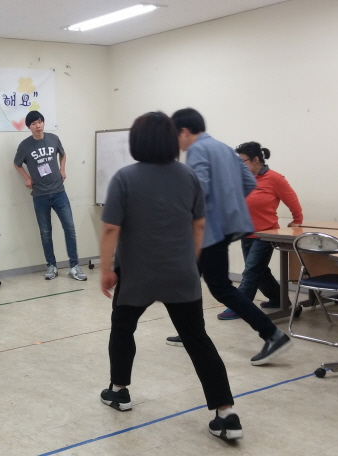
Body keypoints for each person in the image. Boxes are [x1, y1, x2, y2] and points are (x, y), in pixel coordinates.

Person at [99, 112, 242, 441]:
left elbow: (110, 229)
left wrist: (106, 269)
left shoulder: (124, 178)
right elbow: (199, 225)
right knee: (197, 339)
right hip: (181, 274)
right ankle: (226, 414)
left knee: (123, 329)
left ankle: (119, 391)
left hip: (136, 275)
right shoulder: (188, 176)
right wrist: (189, 262)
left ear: (137, 141)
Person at [165, 108, 292, 366]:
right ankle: (192, 331)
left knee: (219, 287)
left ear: (184, 131)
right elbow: (249, 183)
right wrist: (227, 209)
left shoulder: (197, 150)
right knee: (192, 279)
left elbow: (198, 189)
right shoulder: (223, 148)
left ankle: (272, 334)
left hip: (206, 231)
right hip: (221, 228)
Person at [13, 111, 86, 281]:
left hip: (59, 192)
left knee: (69, 228)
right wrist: (27, 178)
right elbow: (17, 164)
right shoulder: (25, 145)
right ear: (29, 127)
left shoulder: (53, 139)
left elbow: (63, 154)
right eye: (34, 123)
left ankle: (74, 266)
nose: (38, 126)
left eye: (40, 122)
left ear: (43, 123)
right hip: (40, 195)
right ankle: (51, 266)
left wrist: (62, 169)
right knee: (45, 232)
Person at [235, 141, 303, 312]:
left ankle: (240, 307)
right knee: (260, 271)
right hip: (245, 233)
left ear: (255, 159)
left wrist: (297, 219)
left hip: (265, 234)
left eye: (242, 161)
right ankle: (279, 299)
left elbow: (292, 200)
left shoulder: (274, 179)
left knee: (251, 272)